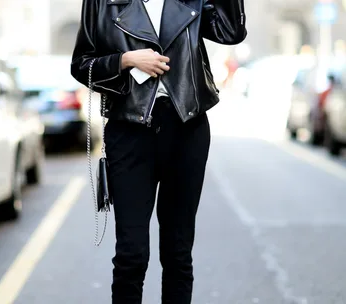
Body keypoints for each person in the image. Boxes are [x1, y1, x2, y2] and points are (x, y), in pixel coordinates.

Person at [71, 0, 247, 303]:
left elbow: (231, 31)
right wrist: (125, 60)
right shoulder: (102, 2)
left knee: (178, 253)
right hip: (129, 129)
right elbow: (81, 65)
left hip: (186, 127)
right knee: (131, 255)